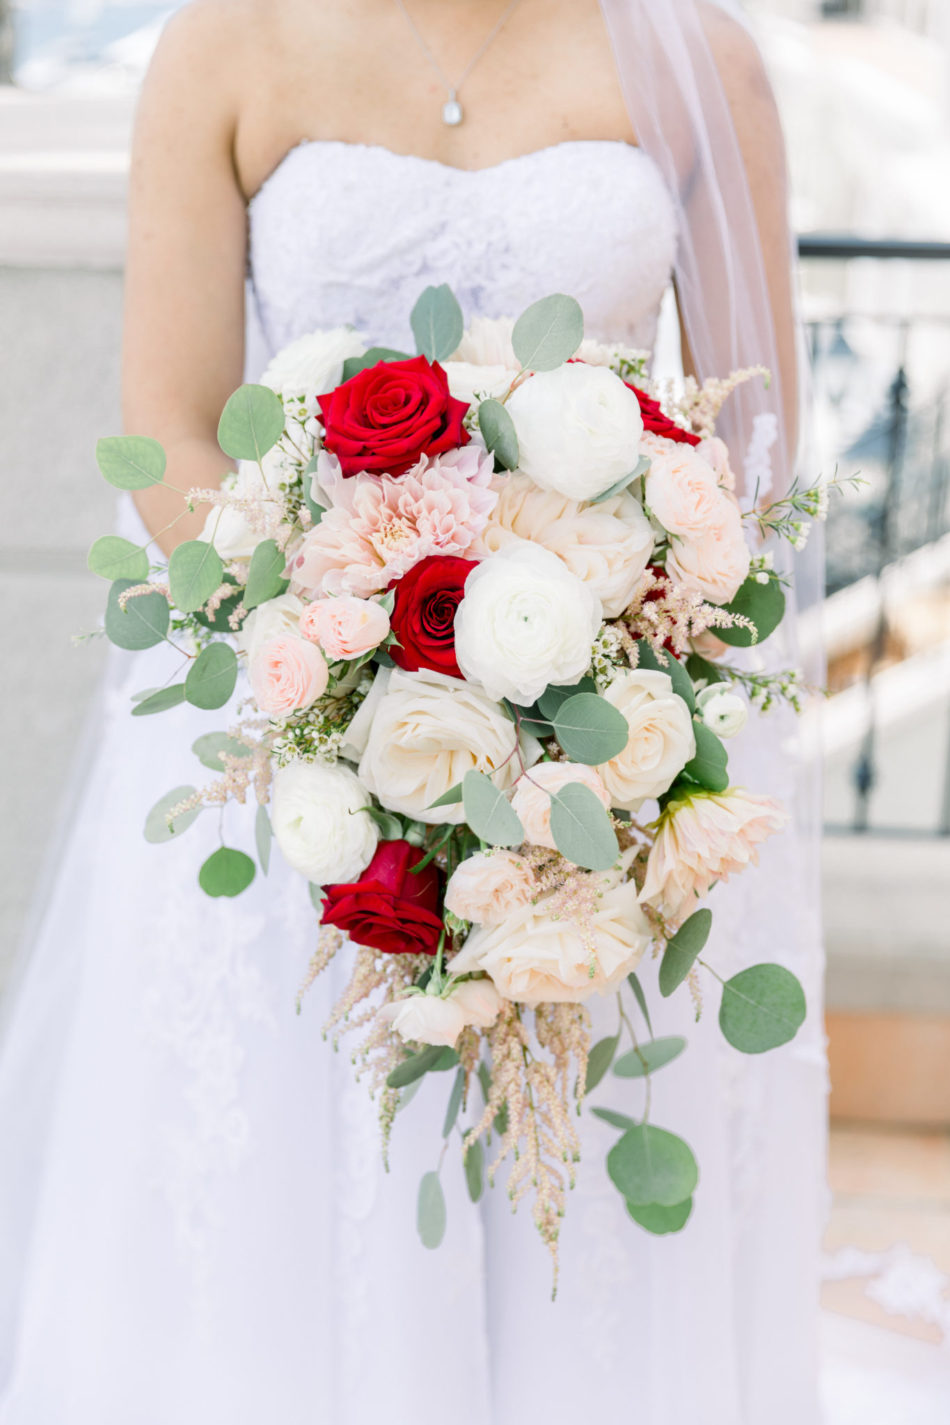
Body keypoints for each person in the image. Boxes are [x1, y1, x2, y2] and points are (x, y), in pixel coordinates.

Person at [0, 3, 826, 1422]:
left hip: (604, 737)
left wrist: (595, 655)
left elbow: (752, 451)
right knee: (293, 1192)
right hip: (297, 739)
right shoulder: (226, 44)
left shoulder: (696, 57)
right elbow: (174, 414)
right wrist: (352, 648)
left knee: (575, 1194)